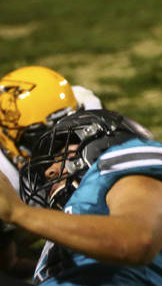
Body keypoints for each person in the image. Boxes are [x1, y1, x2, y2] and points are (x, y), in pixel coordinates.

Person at [0, 109, 162, 286]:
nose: (49, 172)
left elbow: (136, 239)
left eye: (59, 155)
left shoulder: (127, 166)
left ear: (99, 143)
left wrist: (18, 212)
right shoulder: (82, 223)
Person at [0, 67, 102, 281]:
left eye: (67, 133)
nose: (59, 149)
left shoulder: (86, 104)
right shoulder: (4, 173)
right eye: (41, 139)